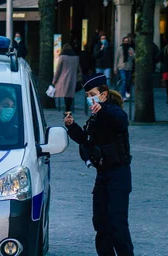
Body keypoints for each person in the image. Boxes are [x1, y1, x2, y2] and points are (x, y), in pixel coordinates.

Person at [64, 73, 133, 256]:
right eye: (87, 95)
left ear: (103, 94)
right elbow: (86, 141)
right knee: (100, 222)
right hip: (102, 175)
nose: (90, 98)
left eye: (92, 94)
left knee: (117, 224)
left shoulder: (112, 110)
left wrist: (103, 109)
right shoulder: (95, 117)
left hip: (119, 174)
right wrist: (72, 127)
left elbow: (121, 121)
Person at [52, 44, 81, 113]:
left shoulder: (62, 57)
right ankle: (69, 109)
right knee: (70, 94)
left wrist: (54, 80)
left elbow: (58, 70)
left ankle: (67, 109)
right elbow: (78, 69)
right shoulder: (76, 58)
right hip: (73, 78)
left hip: (64, 78)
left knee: (65, 94)